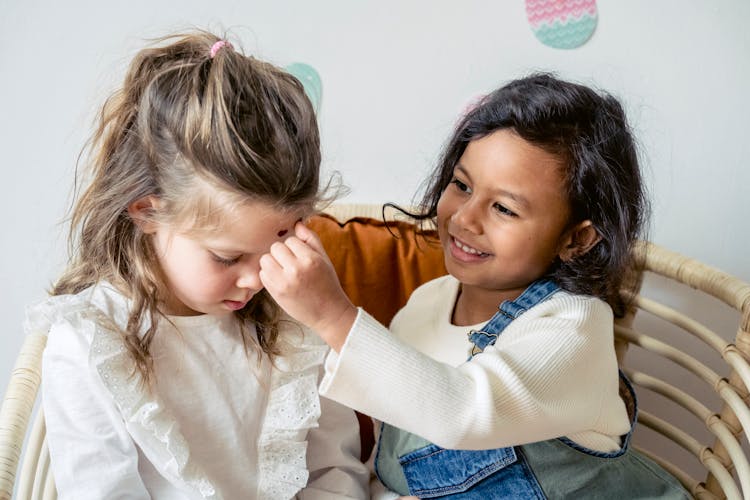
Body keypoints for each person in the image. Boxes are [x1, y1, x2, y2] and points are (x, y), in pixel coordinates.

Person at [258, 74, 690, 498]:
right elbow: (394, 460)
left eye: (503, 208)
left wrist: (332, 315)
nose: (465, 218)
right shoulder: (426, 303)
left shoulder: (571, 328)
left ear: (575, 238)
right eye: (461, 185)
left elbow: (463, 413)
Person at [26, 30, 368, 499]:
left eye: (281, 241)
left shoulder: (292, 316)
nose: (257, 278)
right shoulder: (91, 344)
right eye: (228, 257)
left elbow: (335, 471)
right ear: (148, 212)